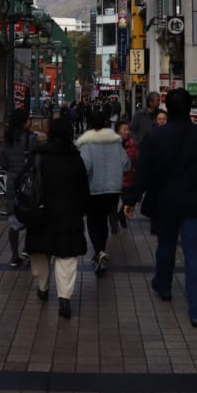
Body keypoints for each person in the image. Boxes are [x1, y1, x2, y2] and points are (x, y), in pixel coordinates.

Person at [123, 88, 197, 328]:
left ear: (168, 108)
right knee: (195, 253)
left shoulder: (157, 137)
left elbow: (143, 173)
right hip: (195, 202)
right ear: (191, 108)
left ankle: (163, 286)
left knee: (166, 246)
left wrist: (130, 199)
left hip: (165, 202)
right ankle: (196, 310)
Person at [25, 114, 90, 319]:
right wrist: (82, 209)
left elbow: (29, 184)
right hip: (68, 214)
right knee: (67, 257)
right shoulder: (75, 158)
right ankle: (64, 298)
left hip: (41, 212)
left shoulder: (39, 155)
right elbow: (84, 190)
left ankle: (43, 288)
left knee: (40, 252)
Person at [76, 109, 130, 275]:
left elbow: (84, 167)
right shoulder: (116, 142)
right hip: (113, 190)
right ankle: (101, 252)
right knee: (105, 220)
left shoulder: (87, 144)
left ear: (90, 125)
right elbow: (126, 165)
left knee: (93, 222)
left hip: (94, 190)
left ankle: (99, 252)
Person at [0, 109, 38, 267]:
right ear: (24, 122)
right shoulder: (32, 139)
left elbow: (3, 164)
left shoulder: (6, 140)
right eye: (29, 119)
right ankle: (28, 250)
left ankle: (14, 256)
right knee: (32, 219)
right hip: (29, 184)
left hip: (12, 184)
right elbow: (38, 162)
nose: (30, 122)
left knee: (14, 222)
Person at [116, 117, 139, 228]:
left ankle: (120, 216)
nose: (127, 132)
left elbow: (135, 158)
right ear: (118, 131)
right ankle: (116, 220)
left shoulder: (132, 143)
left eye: (128, 129)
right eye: (124, 129)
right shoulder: (113, 144)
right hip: (116, 178)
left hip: (128, 177)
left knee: (129, 200)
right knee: (121, 201)